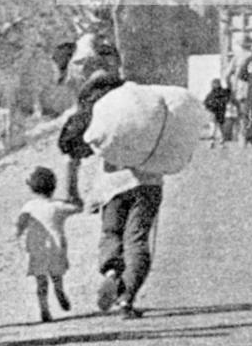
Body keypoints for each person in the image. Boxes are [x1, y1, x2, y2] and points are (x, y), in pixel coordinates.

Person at [92, 161, 164, 319]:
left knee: (112, 234)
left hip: (113, 186)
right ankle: (126, 300)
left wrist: (96, 194)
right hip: (147, 183)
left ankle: (111, 272)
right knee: (136, 240)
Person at [16, 166, 83, 322]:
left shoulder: (29, 206)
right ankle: (59, 292)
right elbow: (77, 208)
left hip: (36, 249)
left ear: (32, 188)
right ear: (53, 186)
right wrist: (74, 196)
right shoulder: (57, 205)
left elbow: (20, 223)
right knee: (56, 276)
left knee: (41, 281)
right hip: (56, 247)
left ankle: (44, 308)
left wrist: (18, 234)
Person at [58, 70, 124, 202]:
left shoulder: (88, 98)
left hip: (88, 123)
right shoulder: (113, 94)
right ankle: (74, 193)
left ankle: (73, 193)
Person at [203, 78, 231, 148]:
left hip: (215, 112)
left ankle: (213, 142)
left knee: (214, 128)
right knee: (217, 128)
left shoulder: (211, 94)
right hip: (218, 112)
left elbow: (206, 103)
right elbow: (228, 94)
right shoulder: (221, 92)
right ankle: (218, 142)